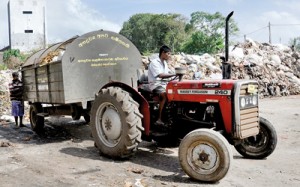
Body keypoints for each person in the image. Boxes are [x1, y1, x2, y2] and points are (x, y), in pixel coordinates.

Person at [148, 45, 176, 125]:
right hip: (155, 84)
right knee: (164, 95)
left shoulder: (165, 63)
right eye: (168, 53)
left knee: (174, 93)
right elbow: (160, 75)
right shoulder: (154, 63)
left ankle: (171, 115)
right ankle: (159, 119)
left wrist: (174, 75)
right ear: (163, 53)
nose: (169, 55)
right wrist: (174, 74)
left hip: (163, 84)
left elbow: (167, 74)